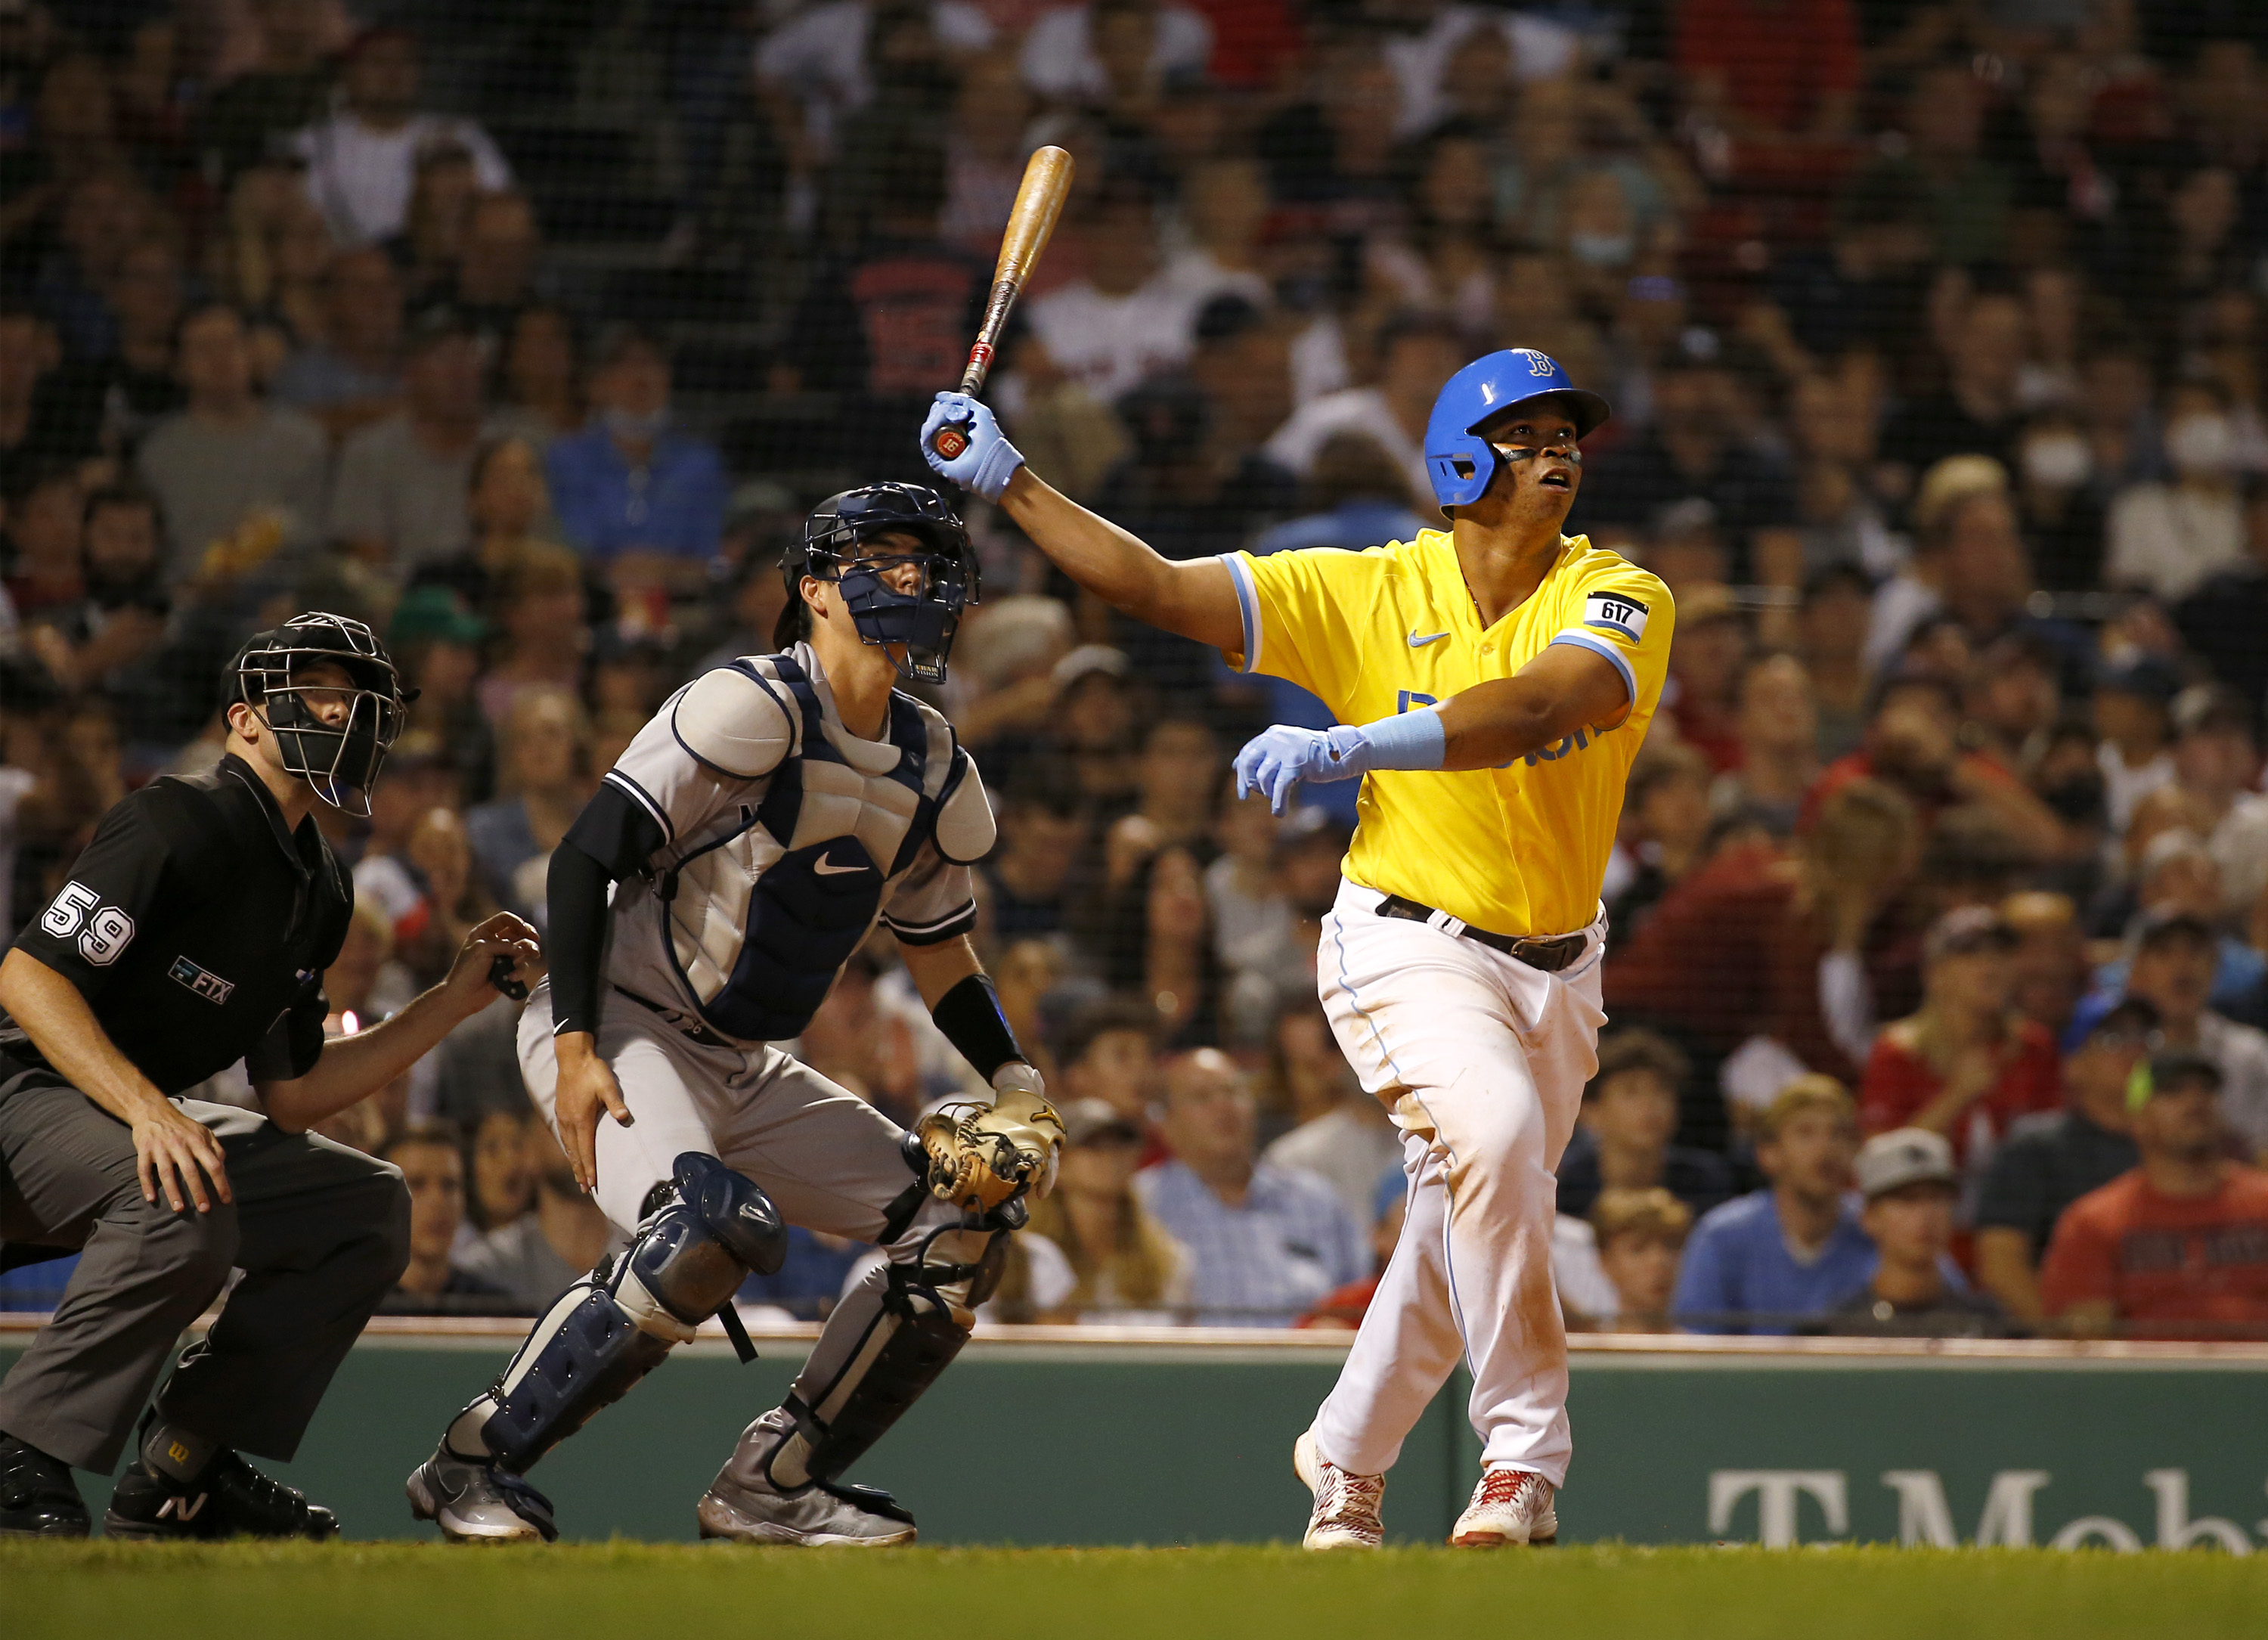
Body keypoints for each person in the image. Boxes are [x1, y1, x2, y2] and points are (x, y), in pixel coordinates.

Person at [922, 345, 1671, 1549]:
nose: (1559, 453)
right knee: (1492, 1140)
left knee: (1459, 1217)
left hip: (1562, 968)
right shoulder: (1363, 588)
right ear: (1458, 460)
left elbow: (1549, 705)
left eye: (1567, 433)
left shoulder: (1617, 589)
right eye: (1527, 435)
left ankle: (1345, 1456)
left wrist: (1353, 744)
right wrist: (1011, 481)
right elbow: (1163, 589)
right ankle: (1523, 1459)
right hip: (1407, 942)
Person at [401, 482, 1063, 1549]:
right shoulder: (747, 703)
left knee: (964, 1225)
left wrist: (1020, 1080)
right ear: (814, 588)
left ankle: (771, 1482)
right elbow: (584, 859)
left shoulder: (937, 764)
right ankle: (473, 1461)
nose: (914, 579)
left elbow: (943, 957)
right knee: (701, 1233)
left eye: (926, 563)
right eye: (886, 559)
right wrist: (574, 1047)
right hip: (617, 1019)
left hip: (748, 1062)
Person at [0, 613, 541, 1539]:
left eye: (358, 697)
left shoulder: (322, 887)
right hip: (23, 1099)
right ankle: (20, 1452)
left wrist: (449, 1001)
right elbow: (29, 976)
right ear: (245, 718)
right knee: (185, 1190)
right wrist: (146, 1113)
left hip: (125, 1123)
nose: (345, 711)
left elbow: (292, 1092)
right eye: (320, 691)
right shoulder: (177, 815)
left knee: (364, 1207)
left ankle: (185, 1467)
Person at [2040, 1053, 2268, 1340]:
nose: (2195, 1102)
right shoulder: (2093, 1222)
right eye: (2172, 1092)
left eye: (2207, 1090)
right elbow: (2086, 1347)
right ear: (2138, 1119)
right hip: (2146, 1381)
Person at [1134, 1048, 1366, 1325]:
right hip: (1189, 1366)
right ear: (1166, 1124)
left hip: (1308, 1364)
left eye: (1233, 1092)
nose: (1224, 1106)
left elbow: (1361, 1303)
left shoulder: (1314, 1199)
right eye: (1202, 1097)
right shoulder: (1142, 1204)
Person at [1972, 997, 2152, 1323]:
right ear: (2074, 1065)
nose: (2135, 1050)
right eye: (2114, 1040)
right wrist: (2067, 1346)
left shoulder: (2185, 1145)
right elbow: (2001, 1265)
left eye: (2146, 1038)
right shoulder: (2034, 1150)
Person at [1857, 906, 2061, 1176]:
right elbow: (1876, 1165)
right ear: (1935, 974)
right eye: (1970, 954)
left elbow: (2055, 1151)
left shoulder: (2034, 1046)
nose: (1990, 966)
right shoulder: (1899, 1053)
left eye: (2000, 953)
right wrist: (1956, 1096)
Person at [1672, 1077, 1873, 1335]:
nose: (1826, 1148)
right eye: (1805, 1133)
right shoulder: (1722, 1237)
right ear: (1769, 1154)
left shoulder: (1878, 1230)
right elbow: (1695, 1351)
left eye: (1838, 1134)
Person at [1020, 1097, 1192, 1323]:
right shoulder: (1032, 1260)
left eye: (1120, 1145)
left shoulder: (1168, 1261)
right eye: (1093, 1145)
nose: (1110, 1156)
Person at [1825, 1128, 2009, 1338]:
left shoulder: (1989, 1324)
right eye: (1907, 1200)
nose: (1925, 1215)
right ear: (1870, 1217)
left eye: (1937, 1199)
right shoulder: (1838, 1329)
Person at [1554, 1029, 1734, 1220]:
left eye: (1662, 1090)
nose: (1650, 1104)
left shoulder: (1704, 1181)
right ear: (1591, 1112)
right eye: (1631, 1091)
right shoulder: (1566, 1183)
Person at [1581, 1186, 1692, 1335]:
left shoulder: (1709, 1353)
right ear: (1605, 1261)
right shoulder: (1584, 1354)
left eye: (1671, 1246)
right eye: (1638, 1249)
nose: (1659, 1261)